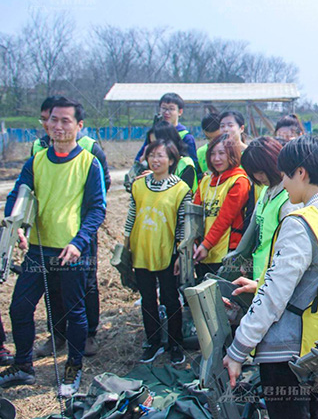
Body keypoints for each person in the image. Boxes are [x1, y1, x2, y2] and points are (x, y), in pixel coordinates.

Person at [223, 135, 318, 419]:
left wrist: (238, 350)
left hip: (286, 354)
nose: (282, 183)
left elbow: (274, 298)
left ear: (301, 173)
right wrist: (260, 284)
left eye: (285, 174)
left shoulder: (301, 222)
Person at [0, 98, 106, 397]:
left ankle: (73, 367)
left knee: (75, 312)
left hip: (72, 252)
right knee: (19, 308)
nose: (57, 126)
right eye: (53, 120)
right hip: (38, 250)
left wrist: (78, 242)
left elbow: (97, 209)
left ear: (79, 126)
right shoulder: (36, 161)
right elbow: (18, 196)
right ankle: (23, 366)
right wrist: (17, 225)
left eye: (65, 121)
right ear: (46, 123)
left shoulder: (89, 162)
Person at [31, 96, 111, 359]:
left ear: (77, 124)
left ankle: (88, 334)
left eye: (61, 120)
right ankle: (58, 334)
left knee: (86, 284)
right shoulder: (39, 149)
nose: (51, 125)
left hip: (80, 235)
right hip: (48, 235)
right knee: (51, 284)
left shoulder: (90, 148)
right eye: (47, 119)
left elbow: (103, 186)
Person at [125, 139, 191, 365]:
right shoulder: (139, 185)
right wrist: (126, 246)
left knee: (171, 299)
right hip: (141, 250)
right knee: (147, 300)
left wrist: (182, 254)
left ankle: (175, 343)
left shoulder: (181, 189)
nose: (155, 160)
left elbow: (184, 225)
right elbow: (131, 216)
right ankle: (152, 342)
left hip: (168, 253)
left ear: (171, 160)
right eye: (152, 155)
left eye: (161, 155)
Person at [237, 137, 301, 280]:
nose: (258, 177)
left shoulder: (290, 199)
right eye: (253, 172)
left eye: (261, 171)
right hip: (261, 275)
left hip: (276, 278)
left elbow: (290, 248)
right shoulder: (266, 192)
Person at [192, 134, 250, 279]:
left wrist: (206, 245)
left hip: (227, 252)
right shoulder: (205, 181)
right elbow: (195, 214)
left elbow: (225, 219)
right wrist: (193, 241)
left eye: (221, 153)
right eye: (212, 154)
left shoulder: (239, 181)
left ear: (232, 154)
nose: (216, 159)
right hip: (202, 251)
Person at [134, 92, 199, 168]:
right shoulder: (154, 133)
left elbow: (193, 164)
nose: (167, 112)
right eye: (164, 108)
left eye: (171, 109)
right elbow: (139, 159)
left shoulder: (186, 137)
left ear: (180, 112)